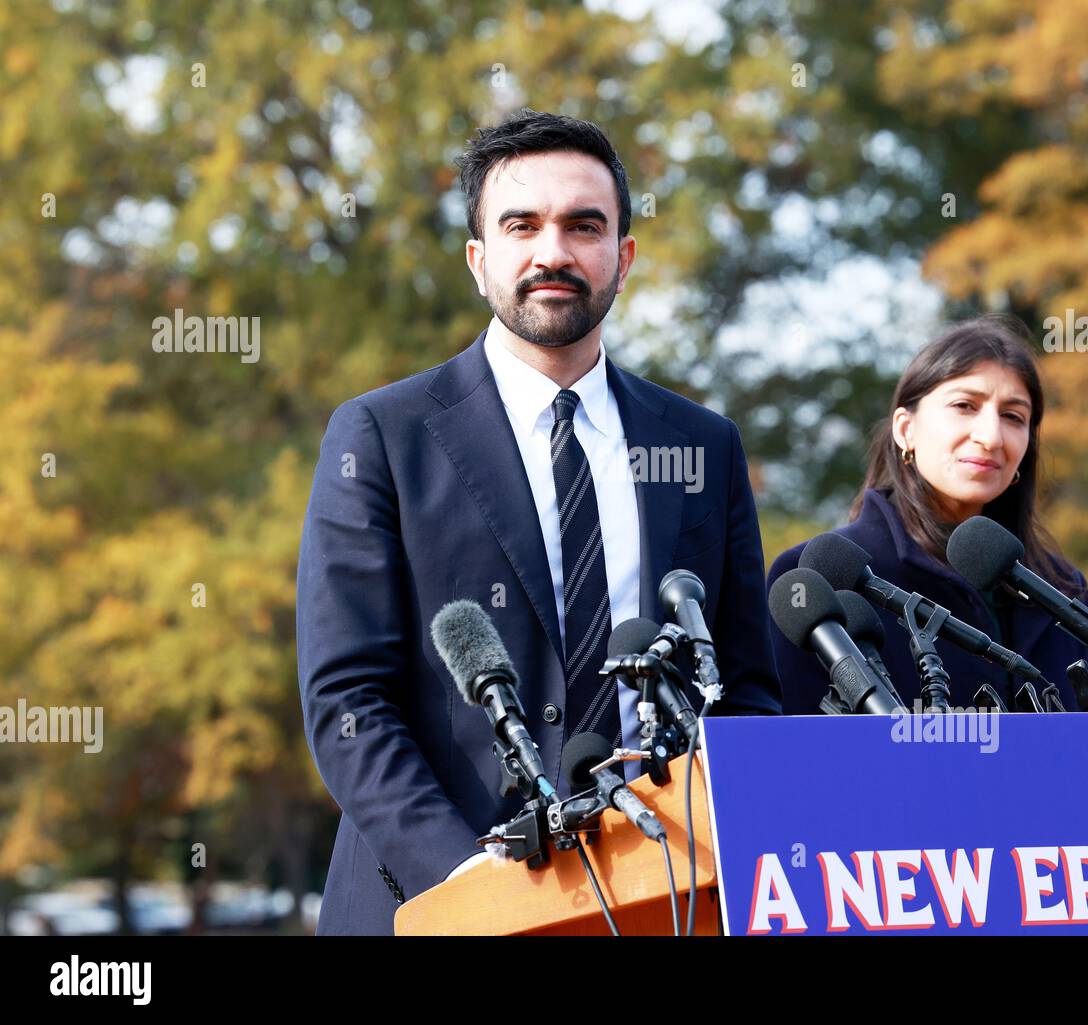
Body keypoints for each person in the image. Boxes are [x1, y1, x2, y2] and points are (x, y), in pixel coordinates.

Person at [296, 109, 781, 935]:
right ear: (480, 260)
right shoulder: (382, 435)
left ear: (623, 257)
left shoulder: (703, 445)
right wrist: (465, 881)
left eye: (583, 226)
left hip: (667, 899)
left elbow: (746, 694)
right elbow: (348, 701)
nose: (552, 251)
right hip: (436, 901)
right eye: (521, 225)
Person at [768, 315, 1088, 714]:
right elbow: (788, 759)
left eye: (1013, 416)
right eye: (965, 406)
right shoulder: (815, 579)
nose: (991, 436)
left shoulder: (1061, 589)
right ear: (905, 429)